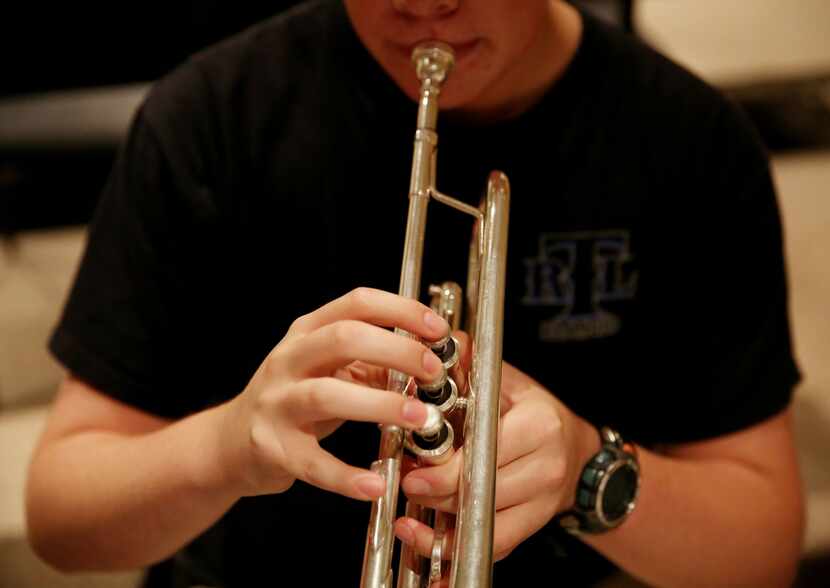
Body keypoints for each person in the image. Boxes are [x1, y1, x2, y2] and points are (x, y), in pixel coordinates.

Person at [26, 0, 804, 586]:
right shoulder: (212, 115)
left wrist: (583, 470)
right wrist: (227, 446)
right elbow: (61, 521)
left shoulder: (693, 144)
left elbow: (762, 550)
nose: (424, 5)